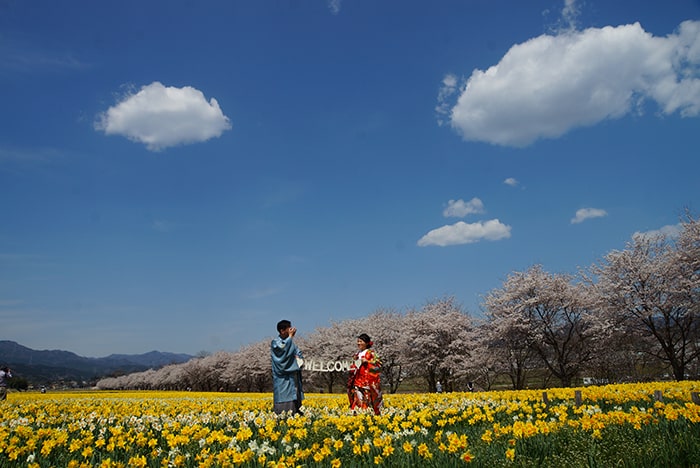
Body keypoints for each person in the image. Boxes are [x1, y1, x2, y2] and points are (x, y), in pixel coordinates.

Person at [271, 320, 304, 415]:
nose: (291, 330)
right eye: (288, 329)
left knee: (294, 399)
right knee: (284, 398)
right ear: (282, 331)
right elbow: (282, 353)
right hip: (282, 379)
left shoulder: (291, 343)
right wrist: (290, 337)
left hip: (293, 377)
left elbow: (297, 353)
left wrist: (298, 358)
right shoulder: (275, 343)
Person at [347, 333, 382, 415]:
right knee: (357, 397)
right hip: (357, 380)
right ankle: (357, 414)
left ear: (366, 343)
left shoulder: (371, 353)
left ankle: (368, 414)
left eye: (361, 341)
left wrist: (368, 361)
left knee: (367, 398)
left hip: (367, 381)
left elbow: (378, 364)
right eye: (358, 341)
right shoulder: (357, 354)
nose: (359, 343)